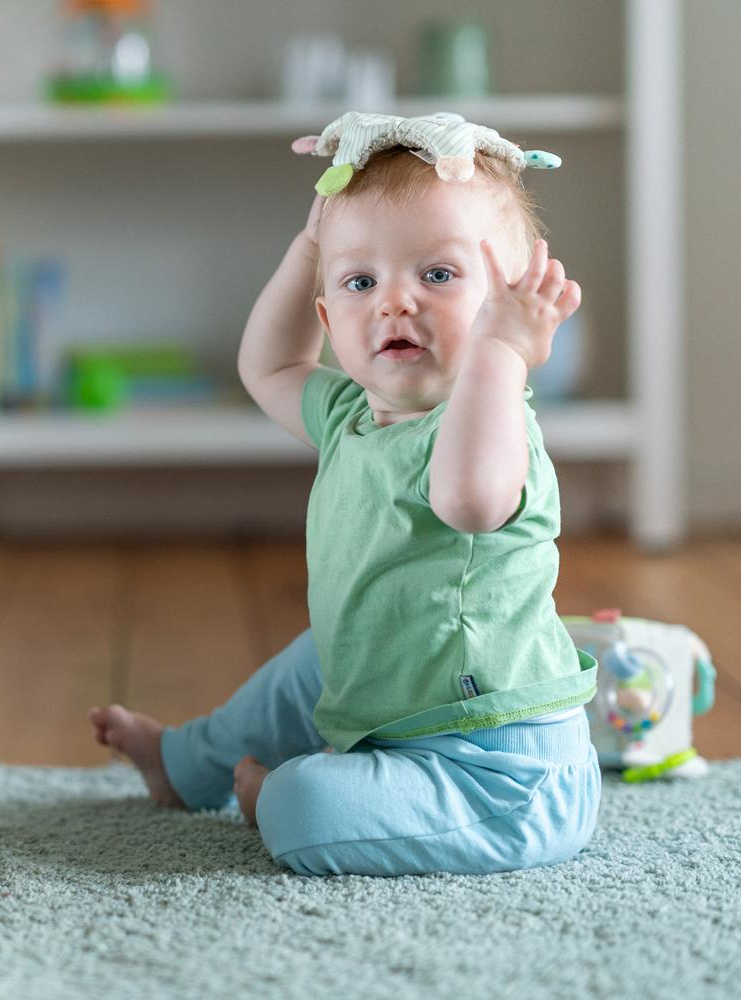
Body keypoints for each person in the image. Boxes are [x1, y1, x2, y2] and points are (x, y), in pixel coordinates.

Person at [89, 113, 601, 877]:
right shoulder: (349, 416)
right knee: (304, 670)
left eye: (438, 274)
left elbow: (468, 501)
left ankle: (279, 800)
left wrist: (502, 353)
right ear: (328, 316)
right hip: (383, 691)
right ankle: (180, 761)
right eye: (360, 282)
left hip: (495, 768)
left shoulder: (491, 424)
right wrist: (306, 251)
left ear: (509, 298)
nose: (395, 303)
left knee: (308, 808)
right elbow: (268, 368)